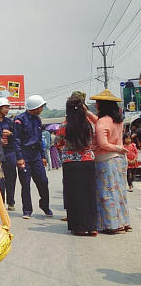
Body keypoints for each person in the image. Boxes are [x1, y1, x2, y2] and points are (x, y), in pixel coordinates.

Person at [86, 89, 131, 234]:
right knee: (119, 192)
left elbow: (103, 143)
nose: (95, 105)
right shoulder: (117, 120)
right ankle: (124, 222)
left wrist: (116, 147)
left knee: (107, 193)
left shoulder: (103, 121)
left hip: (106, 160)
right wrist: (88, 113)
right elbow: (100, 123)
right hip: (119, 160)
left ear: (101, 105)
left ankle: (112, 225)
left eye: (97, 103)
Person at [54, 96, 97, 236]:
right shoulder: (88, 124)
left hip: (70, 163)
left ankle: (79, 227)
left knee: (74, 194)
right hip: (87, 161)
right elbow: (92, 139)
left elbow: (58, 143)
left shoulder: (64, 126)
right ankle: (92, 227)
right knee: (89, 193)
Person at [13, 95, 53, 219]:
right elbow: (16, 140)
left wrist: (43, 156)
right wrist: (19, 158)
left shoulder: (37, 120)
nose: (42, 109)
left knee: (43, 181)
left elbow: (39, 139)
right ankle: (27, 210)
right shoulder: (19, 120)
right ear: (35, 107)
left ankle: (44, 206)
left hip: (36, 155)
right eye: (41, 106)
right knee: (25, 184)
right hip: (24, 155)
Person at [0, 97, 17, 211]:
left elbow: (17, 137)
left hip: (9, 152)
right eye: (5, 107)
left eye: (8, 107)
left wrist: (11, 133)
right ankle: (0, 203)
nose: (8, 110)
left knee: (11, 177)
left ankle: (11, 202)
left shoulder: (10, 122)